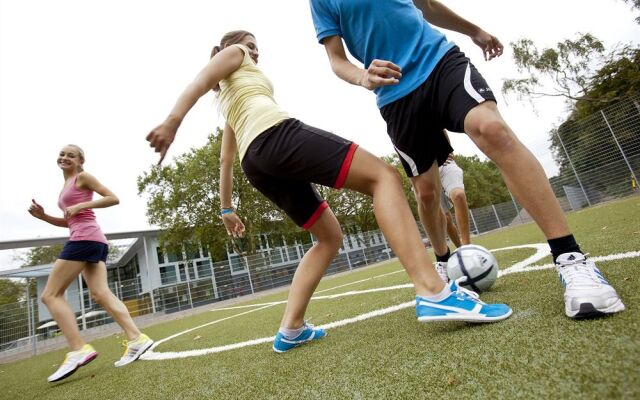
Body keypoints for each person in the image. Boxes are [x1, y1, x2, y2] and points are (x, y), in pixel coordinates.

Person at [146, 30, 512, 353]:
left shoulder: (230, 102)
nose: (254, 53)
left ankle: (291, 329)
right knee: (384, 177)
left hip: (256, 162)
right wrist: (173, 121)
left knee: (329, 237)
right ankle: (434, 291)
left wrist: (227, 208)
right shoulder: (233, 56)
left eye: (256, 49)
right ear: (229, 48)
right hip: (275, 136)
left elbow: (227, 160)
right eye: (250, 45)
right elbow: (198, 81)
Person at [308, 0, 625, 318]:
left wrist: (475, 31)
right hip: (395, 95)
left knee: (492, 129)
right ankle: (444, 261)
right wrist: (363, 76)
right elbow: (336, 59)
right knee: (427, 192)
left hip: (438, 61)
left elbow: (427, 5)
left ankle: (571, 259)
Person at [28, 144, 154, 382]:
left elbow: (112, 198)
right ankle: (137, 339)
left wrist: (82, 205)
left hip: (85, 239)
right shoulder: (65, 186)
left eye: (70, 155)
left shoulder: (82, 177)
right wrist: (43, 216)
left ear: (80, 161)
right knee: (100, 293)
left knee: (51, 295)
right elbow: (70, 221)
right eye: (62, 154)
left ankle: (78, 349)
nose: (64, 157)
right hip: (92, 239)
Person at [439, 150, 471, 247]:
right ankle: (460, 248)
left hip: (444, 162)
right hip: (422, 169)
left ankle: (467, 247)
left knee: (458, 195)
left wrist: (447, 150)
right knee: (445, 218)